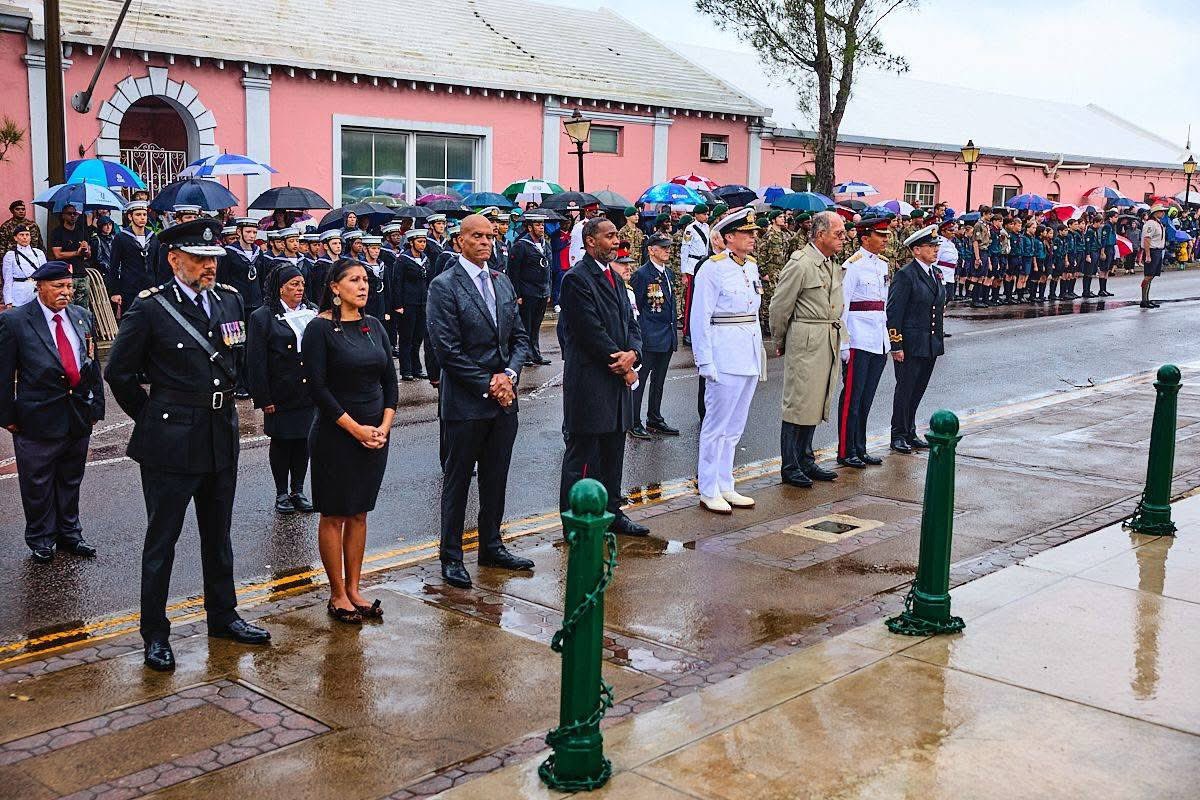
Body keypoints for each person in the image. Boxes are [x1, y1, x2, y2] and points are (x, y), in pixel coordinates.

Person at [104, 218, 270, 672]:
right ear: (174, 260)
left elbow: (235, 361)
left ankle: (223, 615)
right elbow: (119, 373)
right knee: (163, 539)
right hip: (172, 440)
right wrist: (156, 419)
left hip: (220, 433)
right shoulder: (151, 308)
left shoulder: (230, 300)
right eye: (199, 259)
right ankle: (155, 634)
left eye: (212, 258)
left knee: (219, 535)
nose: (209, 267)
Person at [426, 213, 534, 589]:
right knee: (457, 480)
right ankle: (451, 555)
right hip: (467, 402)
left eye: (490, 236)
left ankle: (492, 545)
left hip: (504, 400)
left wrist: (511, 376)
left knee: (496, 476)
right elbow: (447, 349)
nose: (486, 242)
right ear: (460, 241)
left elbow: (520, 339)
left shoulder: (502, 282)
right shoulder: (445, 286)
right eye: (478, 236)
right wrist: (490, 383)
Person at [303, 258, 398, 623]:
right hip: (337, 434)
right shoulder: (319, 329)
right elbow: (318, 388)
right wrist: (356, 429)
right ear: (334, 287)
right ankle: (337, 593)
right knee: (335, 513)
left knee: (359, 512)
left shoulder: (373, 325)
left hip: (376, 433)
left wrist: (384, 426)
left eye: (365, 280)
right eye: (354, 280)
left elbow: (390, 381)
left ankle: (355, 588)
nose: (363, 286)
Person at [0, 261, 103, 562]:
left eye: (69, 286)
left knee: (71, 478)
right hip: (37, 415)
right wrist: (7, 417)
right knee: (38, 482)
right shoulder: (16, 321)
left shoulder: (82, 317)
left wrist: (95, 406)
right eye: (58, 286)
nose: (66, 293)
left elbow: (92, 365)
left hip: (77, 413)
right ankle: (41, 537)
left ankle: (70, 533)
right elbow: (4, 373)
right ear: (39, 286)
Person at [557, 217, 648, 536]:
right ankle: (574, 520)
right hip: (591, 382)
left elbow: (632, 324)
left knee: (613, 450)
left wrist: (634, 353)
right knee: (583, 454)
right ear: (591, 241)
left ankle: (612, 511)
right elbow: (588, 330)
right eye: (610, 237)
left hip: (616, 382)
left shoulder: (615, 277)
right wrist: (623, 365)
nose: (616, 242)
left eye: (617, 236)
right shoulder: (576, 279)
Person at [690, 209, 764, 513]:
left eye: (753, 233)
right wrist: (705, 361)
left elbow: (755, 315)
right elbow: (700, 318)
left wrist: (758, 353)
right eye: (746, 233)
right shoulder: (712, 269)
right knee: (715, 426)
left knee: (735, 427)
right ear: (729, 237)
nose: (753, 238)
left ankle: (725, 483)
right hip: (724, 354)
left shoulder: (751, 267)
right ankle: (708, 488)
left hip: (747, 353)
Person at [770, 210, 846, 487]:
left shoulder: (830, 263)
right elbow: (780, 306)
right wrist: (780, 340)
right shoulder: (801, 264)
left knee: (816, 399)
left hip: (826, 336)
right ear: (820, 234)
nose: (843, 238)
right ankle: (790, 465)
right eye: (838, 234)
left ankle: (806, 458)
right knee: (798, 402)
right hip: (806, 337)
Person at [248, 265, 317, 514]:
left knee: (302, 442)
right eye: (293, 285)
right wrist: (263, 397)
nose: (299, 289)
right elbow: (256, 361)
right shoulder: (263, 316)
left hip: (306, 392)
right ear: (280, 288)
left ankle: (298, 489)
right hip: (280, 392)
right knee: (282, 443)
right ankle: (281, 493)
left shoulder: (312, 312)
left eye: (301, 284)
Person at [835, 217, 890, 469]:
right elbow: (842, 306)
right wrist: (844, 344)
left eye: (886, 235)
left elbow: (883, 305)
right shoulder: (853, 265)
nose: (886, 240)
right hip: (858, 338)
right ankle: (846, 450)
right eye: (881, 235)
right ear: (865, 238)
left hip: (877, 338)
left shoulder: (883, 265)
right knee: (852, 399)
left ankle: (860, 446)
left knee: (867, 398)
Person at [887, 224, 947, 453]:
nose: (935, 250)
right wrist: (896, 344)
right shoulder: (906, 275)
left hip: (929, 343)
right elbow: (894, 312)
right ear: (916, 250)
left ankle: (910, 431)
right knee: (905, 390)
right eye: (930, 246)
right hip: (910, 344)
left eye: (936, 246)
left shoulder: (935, 273)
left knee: (918, 389)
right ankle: (898, 434)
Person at [628, 232, 678, 440]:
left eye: (668, 247)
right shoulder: (642, 275)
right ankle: (633, 421)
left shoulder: (669, 274)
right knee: (640, 381)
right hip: (649, 337)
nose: (668, 250)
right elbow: (635, 309)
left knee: (659, 381)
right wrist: (637, 339)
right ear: (651, 250)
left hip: (667, 335)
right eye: (663, 247)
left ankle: (654, 417)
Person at [506, 210, 553, 366]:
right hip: (527, 292)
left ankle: (535, 354)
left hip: (541, 291)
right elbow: (514, 271)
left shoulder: (545, 244)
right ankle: (524, 355)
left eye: (542, 224)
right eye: (538, 225)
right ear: (530, 227)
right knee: (525, 325)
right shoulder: (521, 245)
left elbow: (548, 269)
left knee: (536, 325)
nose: (541, 228)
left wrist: (549, 290)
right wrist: (517, 294)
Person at [392, 228, 432, 380]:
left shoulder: (425, 259)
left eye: (424, 242)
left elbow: (428, 280)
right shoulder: (403, 260)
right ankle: (406, 370)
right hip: (407, 304)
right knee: (406, 338)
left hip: (422, 303)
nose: (422, 245)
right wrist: (398, 305)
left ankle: (417, 368)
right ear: (411, 242)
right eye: (420, 242)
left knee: (418, 338)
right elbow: (397, 283)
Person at [110, 200, 160, 314]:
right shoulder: (121, 237)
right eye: (138, 215)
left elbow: (157, 264)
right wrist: (115, 292)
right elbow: (114, 266)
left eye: (144, 214)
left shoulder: (153, 238)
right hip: (129, 289)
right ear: (130, 216)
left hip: (150, 288)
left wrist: (158, 287)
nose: (142, 218)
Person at [48, 204, 91, 308]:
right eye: (69, 213)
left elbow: (88, 255)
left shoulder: (82, 231)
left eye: (75, 214)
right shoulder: (57, 233)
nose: (73, 216)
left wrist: (86, 250)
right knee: (67, 307)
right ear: (63, 216)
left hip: (81, 274)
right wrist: (77, 252)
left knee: (83, 308)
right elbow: (57, 254)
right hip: (66, 275)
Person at [2, 223, 47, 308]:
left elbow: (45, 275)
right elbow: (8, 280)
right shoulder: (10, 255)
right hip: (19, 295)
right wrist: (8, 301)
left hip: (36, 292)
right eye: (21, 235)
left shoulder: (38, 253)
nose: (25, 237)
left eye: (27, 235)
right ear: (15, 238)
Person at [1140, 205, 1167, 308]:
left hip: (1158, 251)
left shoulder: (1158, 223)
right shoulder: (1150, 224)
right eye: (1161, 211)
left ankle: (1147, 299)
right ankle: (1144, 300)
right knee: (1148, 276)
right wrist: (1147, 255)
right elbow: (1147, 239)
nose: (1163, 213)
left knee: (1151, 276)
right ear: (1155, 213)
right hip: (1152, 251)